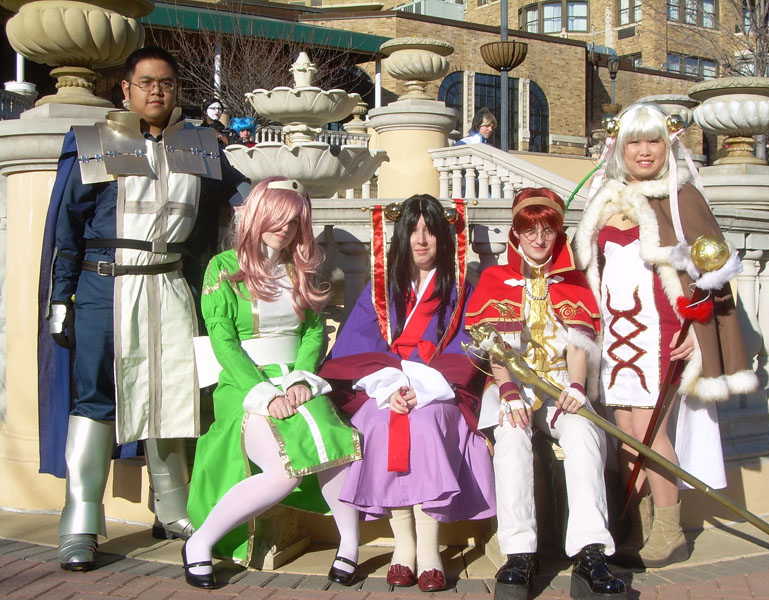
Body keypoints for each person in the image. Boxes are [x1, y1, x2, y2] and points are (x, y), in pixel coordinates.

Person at [43, 46, 250, 572]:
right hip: (103, 286)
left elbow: (240, 193)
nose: (157, 91)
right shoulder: (95, 141)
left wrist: (277, 202)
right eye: (147, 82)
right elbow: (68, 226)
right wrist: (60, 298)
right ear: (127, 88)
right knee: (95, 396)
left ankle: (173, 509)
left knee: (172, 392)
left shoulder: (199, 144)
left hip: (170, 284)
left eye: (167, 83)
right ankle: (80, 521)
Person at [572, 103, 758, 568]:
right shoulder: (605, 197)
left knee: (650, 431)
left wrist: (700, 332)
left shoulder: (682, 198)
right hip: (615, 335)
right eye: (634, 141)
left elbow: (712, 277)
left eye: (653, 140)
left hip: (662, 334)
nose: (644, 150)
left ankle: (670, 531)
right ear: (620, 147)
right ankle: (639, 524)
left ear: (667, 144)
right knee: (625, 433)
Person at [183, 177, 362, 589]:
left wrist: (300, 380)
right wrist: (264, 395)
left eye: (294, 221)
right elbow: (224, 342)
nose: (285, 228)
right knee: (284, 472)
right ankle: (200, 543)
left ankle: (349, 546)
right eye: (278, 218)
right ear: (258, 216)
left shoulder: (299, 269)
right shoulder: (223, 267)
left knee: (340, 448)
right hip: (244, 386)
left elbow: (313, 331)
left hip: (295, 382)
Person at [319, 194, 495, 593]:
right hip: (385, 389)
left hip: (439, 392)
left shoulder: (461, 291)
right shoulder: (381, 291)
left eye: (430, 231)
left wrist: (423, 388)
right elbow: (357, 345)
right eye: (413, 231)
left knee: (427, 426)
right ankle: (405, 546)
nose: (421, 240)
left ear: (443, 238)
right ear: (401, 236)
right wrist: (391, 386)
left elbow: (468, 349)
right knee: (381, 423)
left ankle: (429, 551)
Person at [466, 188, 626, 600]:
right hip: (512, 385)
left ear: (559, 233)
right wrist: (507, 390)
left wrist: (576, 387)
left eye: (548, 231)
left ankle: (590, 553)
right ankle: (519, 553)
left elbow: (579, 344)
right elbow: (496, 348)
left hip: (560, 384)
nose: (539, 239)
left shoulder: (573, 280)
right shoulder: (495, 279)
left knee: (585, 434)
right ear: (516, 233)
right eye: (530, 230)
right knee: (511, 437)